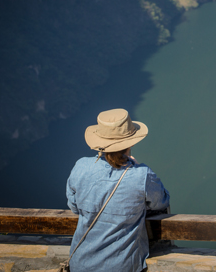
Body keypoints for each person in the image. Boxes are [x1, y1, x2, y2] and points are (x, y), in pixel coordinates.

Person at [66, 108, 170, 272]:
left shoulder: (80, 167)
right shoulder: (142, 175)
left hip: (80, 264)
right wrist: (134, 167)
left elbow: (74, 206)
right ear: (131, 142)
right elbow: (161, 201)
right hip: (123, 266)